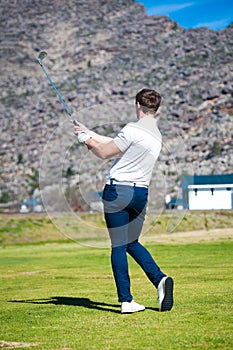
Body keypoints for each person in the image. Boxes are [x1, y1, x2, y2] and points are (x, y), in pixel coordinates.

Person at [73, 88, 174, 313]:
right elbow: (116, 143)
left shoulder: (132, 129)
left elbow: (104, 153)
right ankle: (159, 280)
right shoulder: (155, 136)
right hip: (140, 194)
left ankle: (126, 301)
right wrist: (90, 132)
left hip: (118, 190)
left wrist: (85, 140)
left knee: (119, 245)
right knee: (131, 242)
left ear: (138, 105)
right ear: (155, 109)